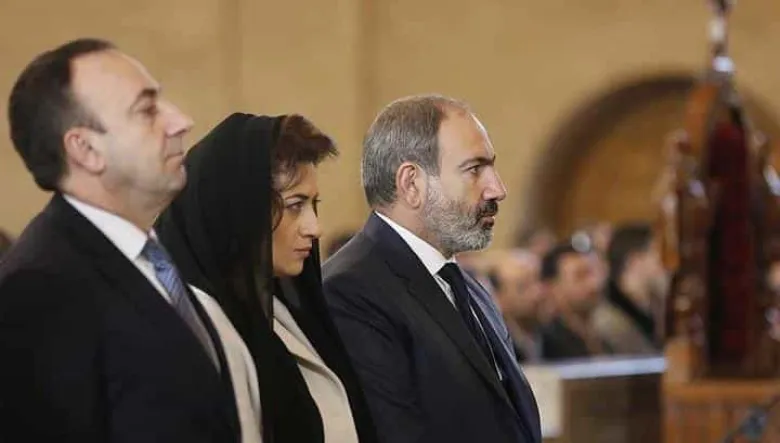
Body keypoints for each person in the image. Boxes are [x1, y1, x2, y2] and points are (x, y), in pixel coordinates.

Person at [0, 38, 249, 443]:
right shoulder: (40, 288)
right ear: (86, 149)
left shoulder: (149, 259)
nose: (181, 121)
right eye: (147, 110)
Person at [322, 94, 541, 443]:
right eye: (475, 169)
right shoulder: (350, 291)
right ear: (411, 184)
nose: (497, 189)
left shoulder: (467, 286)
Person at [155, 113, 378, 443]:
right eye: (295, 205)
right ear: (241, 211)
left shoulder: (286, 310)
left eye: (314, 205)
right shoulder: (188, 329)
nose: (315, 228)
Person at [592, 222, 666, 354]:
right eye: (657, 252)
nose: (664, 261)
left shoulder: (652, 304)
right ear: (635, 261)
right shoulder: (609, 321)